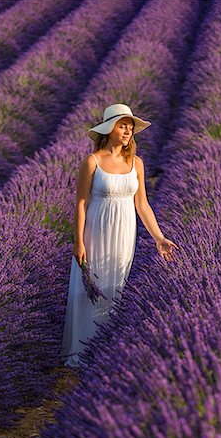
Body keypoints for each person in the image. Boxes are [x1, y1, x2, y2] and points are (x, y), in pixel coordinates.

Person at [60, 103, 179, 368]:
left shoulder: (136, 163)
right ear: (109, 129)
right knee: (90, 286)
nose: (127, 131)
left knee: (117, 287)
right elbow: (80, 203)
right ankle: (82, 353)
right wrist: (78, 241)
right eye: (122, 125)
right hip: (96, 231)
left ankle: (104, 353)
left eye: (130, 127)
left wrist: (159, 237)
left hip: (125, 232)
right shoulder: (92, 161)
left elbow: (143, 205)